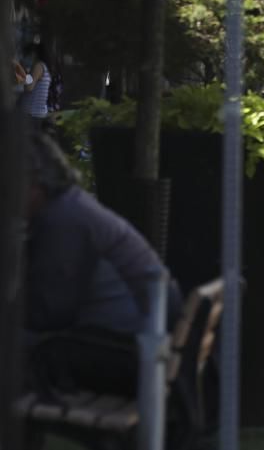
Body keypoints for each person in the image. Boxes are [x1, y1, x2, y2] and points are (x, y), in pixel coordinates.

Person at [23, 129, 182, 398]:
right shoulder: (71, 206)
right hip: (143, 340)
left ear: (34, 182)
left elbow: (49, 313)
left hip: (128, 351)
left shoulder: (63, 219)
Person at [13, 42, 51, 123]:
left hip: (33, 113)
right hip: (35, 112)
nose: (29, 56)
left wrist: (19, 70)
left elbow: (29, 87)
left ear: (35, 53)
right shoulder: (43, 66)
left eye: (29, 53)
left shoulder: (39, 66)